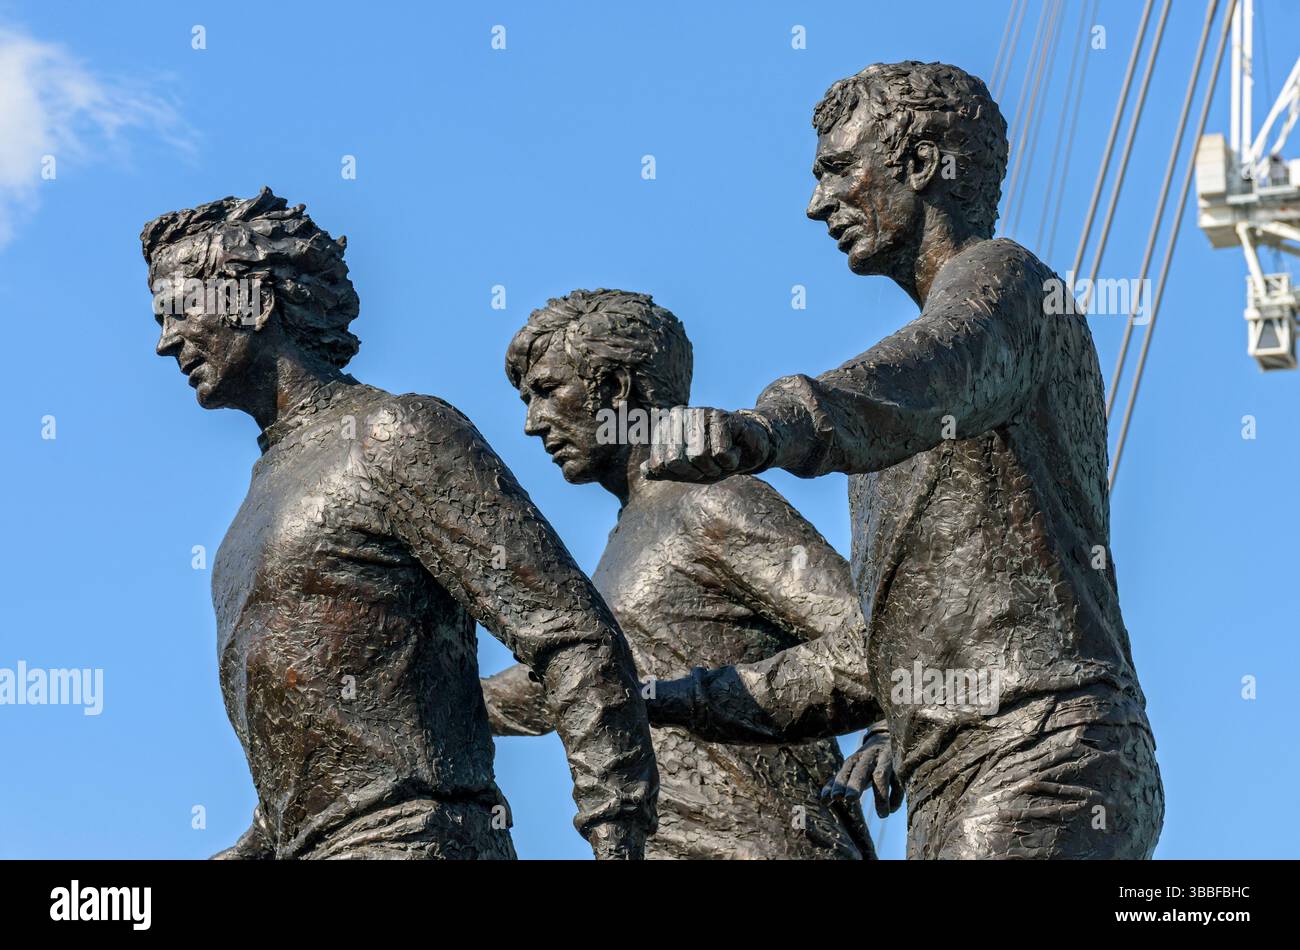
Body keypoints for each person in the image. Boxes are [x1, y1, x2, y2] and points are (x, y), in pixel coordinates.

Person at [642, 62, 1164, 859]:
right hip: (957, 778)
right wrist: (663, 697)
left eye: (837, 170)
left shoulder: (1006, 286)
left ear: (920, 165)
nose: (817, 204)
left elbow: (942, 362)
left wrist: (770, 426)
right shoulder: (887, 436)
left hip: (1044, 746)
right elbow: (867, 658)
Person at [143, 188, 657, 859]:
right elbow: (333, 754)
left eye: (182, 310)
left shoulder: (394, 435)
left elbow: (571, 636)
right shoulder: (254, 508)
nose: (166, 342)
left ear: (255, 301)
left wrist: (616, 832)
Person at [483, 288, 884, 859]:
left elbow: (878, 633)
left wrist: (889, 730)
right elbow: (577, 681)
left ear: (616, 391)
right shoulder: (626, 539)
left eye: (547, 391)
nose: (532, 423)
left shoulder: (711, 501)